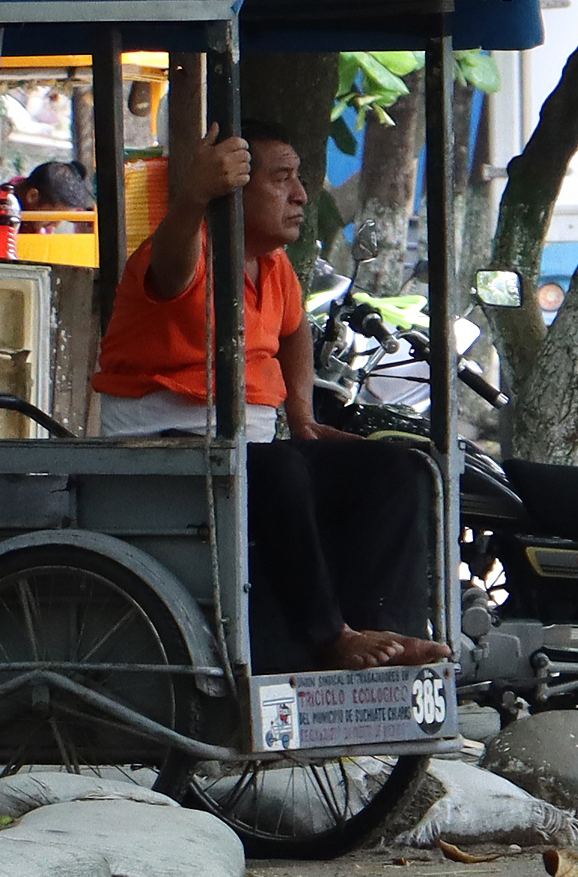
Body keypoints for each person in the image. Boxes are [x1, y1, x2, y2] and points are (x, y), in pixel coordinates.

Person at [92, 121, 449, 673]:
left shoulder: (275, 266)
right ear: (235, 188)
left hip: (243, 447)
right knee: (281, 471)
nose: (302, 195)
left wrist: (302, 414)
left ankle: (389, 629)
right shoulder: (190, 246)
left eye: (298, 179)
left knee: (395, 469)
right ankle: (329, 636)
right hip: (159, 447)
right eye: (282, 179)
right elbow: (172, 265)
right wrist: (194, 194)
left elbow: (294, 332)